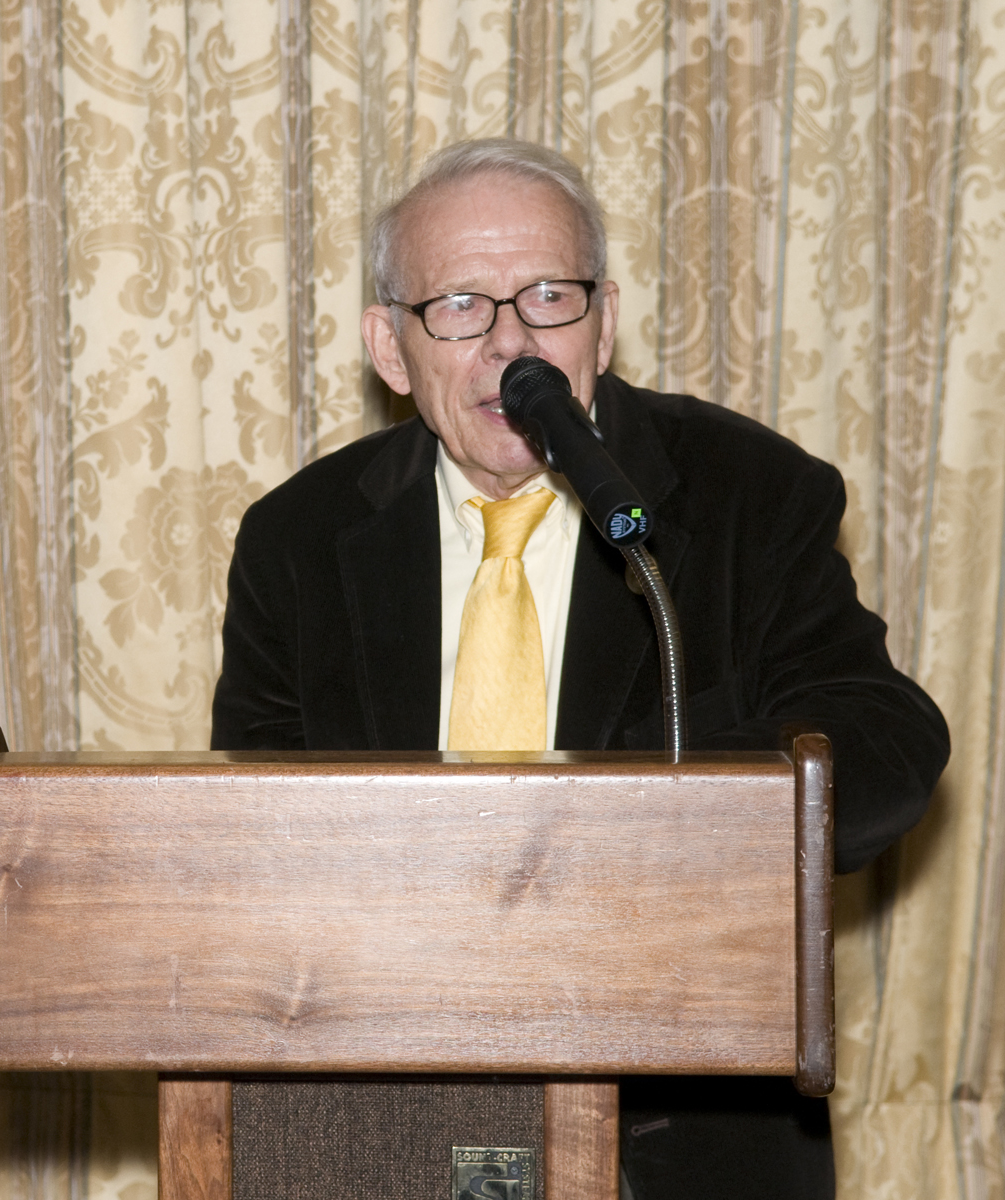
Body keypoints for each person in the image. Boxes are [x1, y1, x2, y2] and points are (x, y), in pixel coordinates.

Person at [211, 139, 949, 1198]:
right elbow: (251, 837)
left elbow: (887, 742)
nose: (512, 344)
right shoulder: (299, 540)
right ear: (389, 349)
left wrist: (650, 830)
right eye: (460, 306)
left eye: (549, 298)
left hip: (671, 1138)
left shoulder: (748, 494)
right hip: (375, 1128)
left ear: (603, 326)